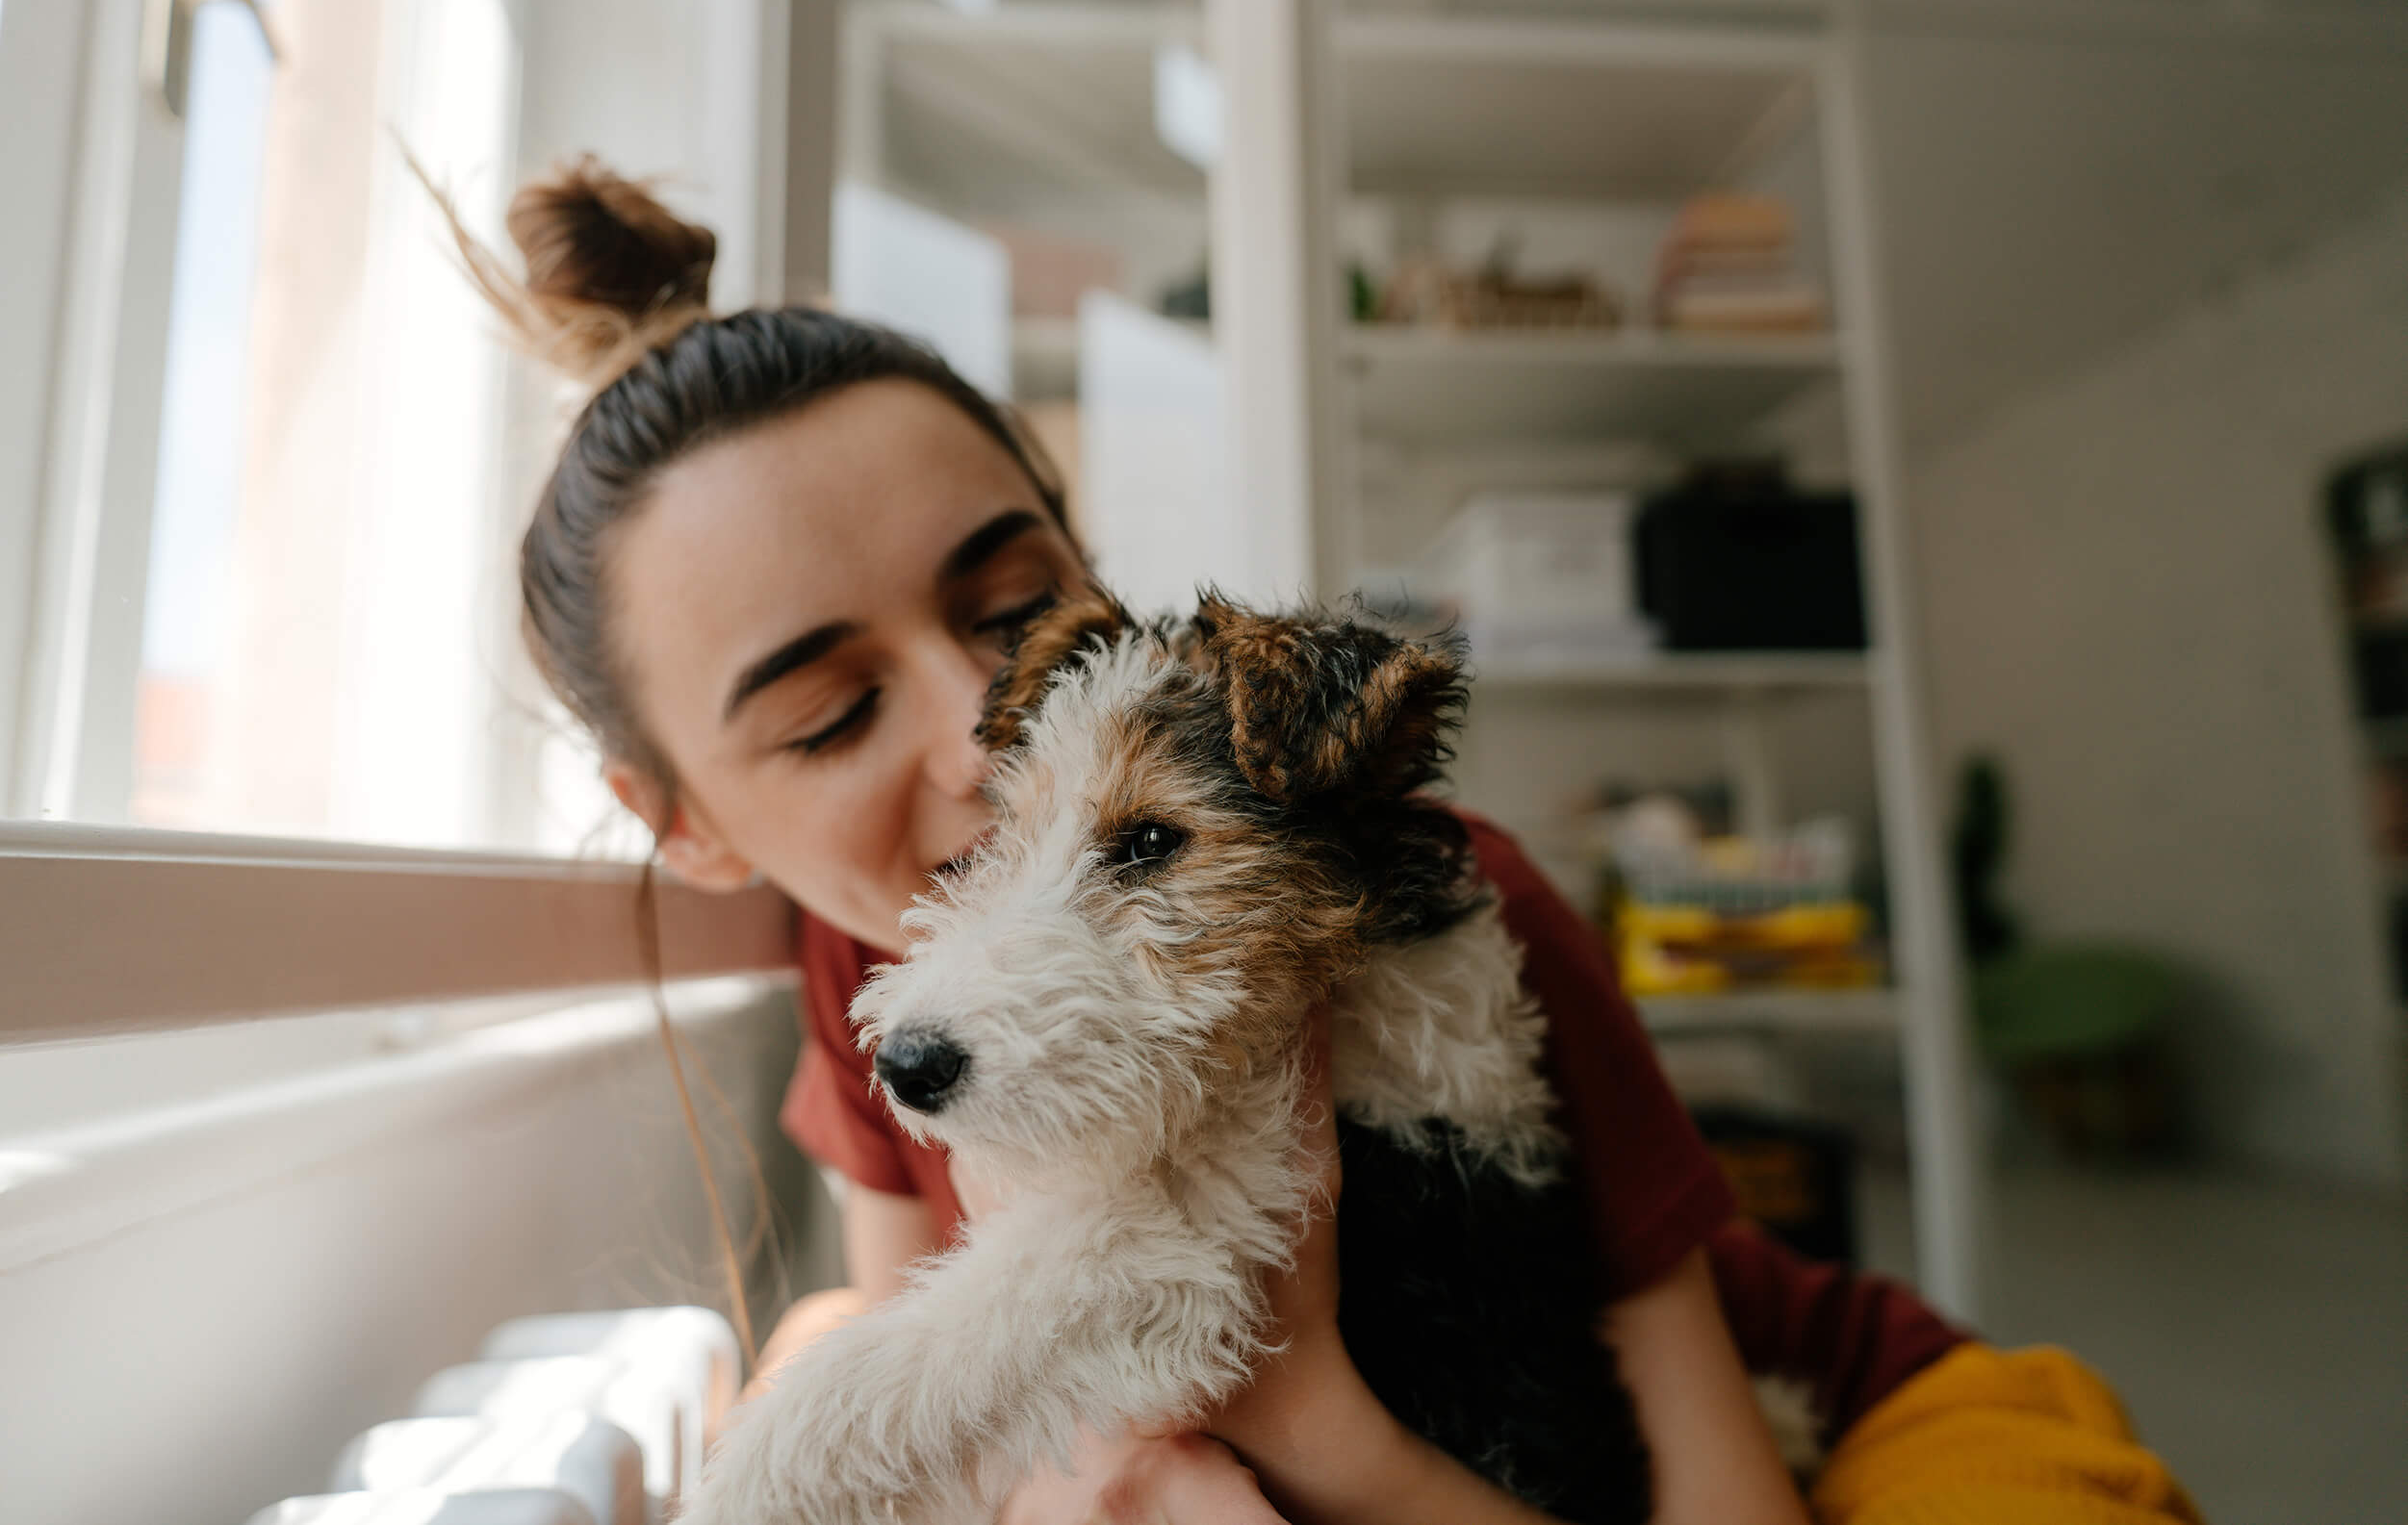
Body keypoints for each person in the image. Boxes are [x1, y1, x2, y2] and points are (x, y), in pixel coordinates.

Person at [463, 159, 2191, 1525]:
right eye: (830, 716)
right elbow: (942, 1364)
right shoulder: (879, 960)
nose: (981, 738)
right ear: (683, 823)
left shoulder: (1425, 896)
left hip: (1815, 1425)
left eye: (1014, 604)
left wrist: (1315, 1424)